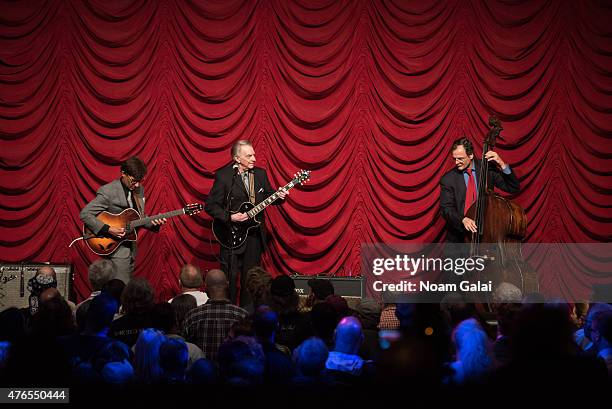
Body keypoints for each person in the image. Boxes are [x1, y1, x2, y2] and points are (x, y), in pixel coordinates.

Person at [205, 140, 287, 306]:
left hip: (254, 236)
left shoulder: (261, 174)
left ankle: (248, 315)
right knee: (230, 279)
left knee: (251, 281)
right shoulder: (224, 176)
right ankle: (228, 313)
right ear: (237, 158)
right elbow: (211, 206)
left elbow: (269, 197)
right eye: (249, 155)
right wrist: (230, 217)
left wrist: (280, 196)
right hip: (231, 235)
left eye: (254, 154)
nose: (254, 159)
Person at [80, 157, 166, 284]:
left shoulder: (139, 189)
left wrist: (153, 223)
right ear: (123, 174)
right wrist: (108, 229)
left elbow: (138, 217)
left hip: (131, 246)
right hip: (114, 247)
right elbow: (85, 214)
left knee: (124, 288)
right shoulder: (108, 191)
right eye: (133, 181)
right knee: (120, 288)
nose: (137, 185)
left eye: (140, 181)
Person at [439, 137, 520, 243]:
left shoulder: (486, 168)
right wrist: (463, 219)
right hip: (459, 239)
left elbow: (513, 187)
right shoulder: (448, 179)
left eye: (460, 158)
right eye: (454, 158)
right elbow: (446, 208)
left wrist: (501, 163)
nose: (456, 162)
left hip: (487, 234)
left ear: (471, 155)